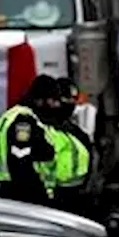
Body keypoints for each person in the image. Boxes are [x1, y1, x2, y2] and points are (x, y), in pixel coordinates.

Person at [0, 74, 62, 206]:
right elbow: (20, 158)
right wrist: (37, 194)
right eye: (52, 100)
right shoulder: (24, 120)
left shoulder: (17, 115)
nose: (55, 105)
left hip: (15, 190)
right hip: (23, 194)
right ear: (40, 99)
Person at [43, 78, 95, 217]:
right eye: (66, 99)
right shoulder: (41, 129)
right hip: (48, 198)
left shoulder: (78, 134)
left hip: (76, 197)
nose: (70, 104)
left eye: (73, 100)